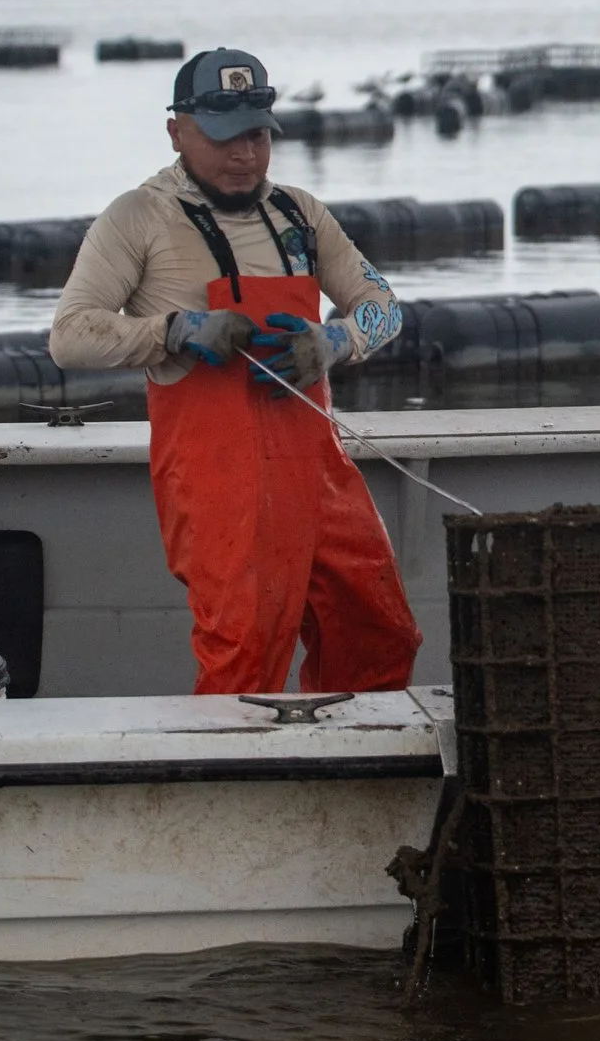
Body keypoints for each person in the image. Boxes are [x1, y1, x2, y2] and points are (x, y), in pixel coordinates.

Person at [50, 47, 421, 694]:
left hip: (319, 469)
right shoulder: (137, 218)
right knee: (245, 652)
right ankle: (235, 787)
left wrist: (335, 341)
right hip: (215, 477)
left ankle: (342, 772)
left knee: (380, 631)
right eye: (224, 137)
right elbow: (69, 337)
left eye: (256, 134)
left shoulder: (301, 214)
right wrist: (173, 331)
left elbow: (386, 309)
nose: (244, 153)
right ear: (178, 130)